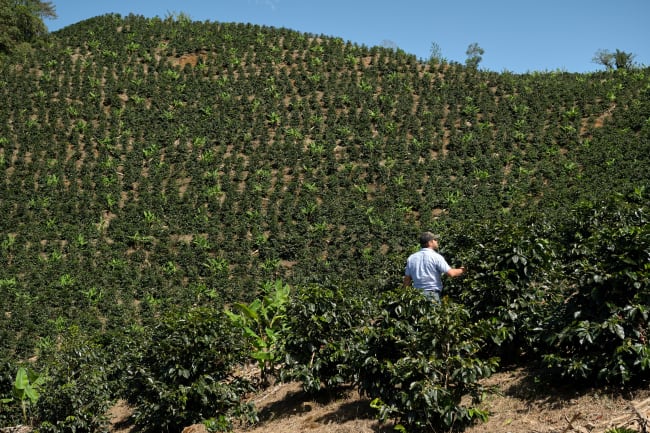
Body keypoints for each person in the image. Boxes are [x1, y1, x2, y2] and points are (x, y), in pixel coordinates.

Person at [403, 231, 465, 301]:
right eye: (435, 240)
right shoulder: (436, 256)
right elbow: (451, 273)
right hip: (432, 295)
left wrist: (405, 297)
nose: (437, 241)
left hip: (416, 297)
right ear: (430, 242)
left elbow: (407, 279)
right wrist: (463, 269)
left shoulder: (411, 258)